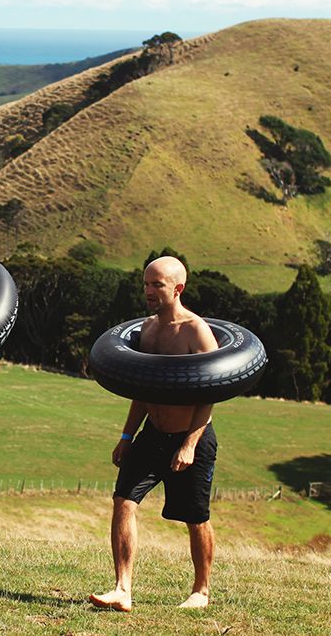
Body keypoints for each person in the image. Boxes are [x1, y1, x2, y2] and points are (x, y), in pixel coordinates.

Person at [90, 256, 220, 612]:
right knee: (123, 501)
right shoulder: (147, 329)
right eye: (146, 283)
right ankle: (122, 588)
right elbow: (142, 391)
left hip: (190, 437)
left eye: (156, 285)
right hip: (152, 434)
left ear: (177, 289)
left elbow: (211, 392)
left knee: (196, 518)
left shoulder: (196, 331)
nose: (148, 291)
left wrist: (190, 444)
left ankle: (201, 591)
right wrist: (127, 437)